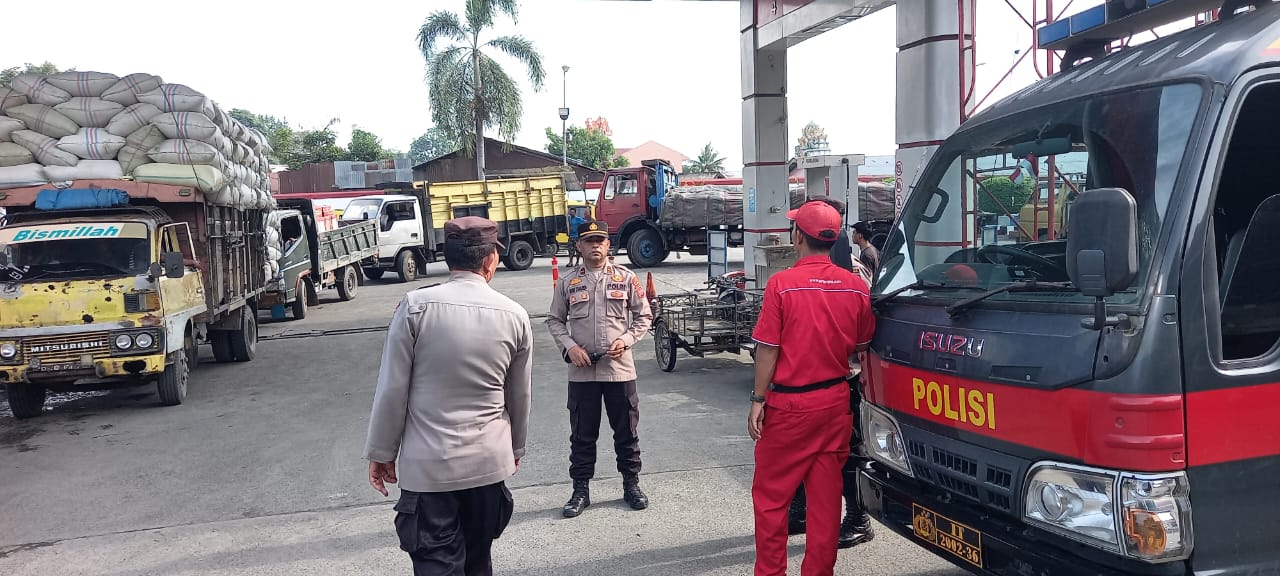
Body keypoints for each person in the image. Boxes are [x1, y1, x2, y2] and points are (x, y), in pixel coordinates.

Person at [364, 215, 533, 576]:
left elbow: (393, 388)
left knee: (437, 566)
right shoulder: (515, 315)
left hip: (428, 470)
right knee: (478, 561)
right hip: (488, 466)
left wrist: (381, 453)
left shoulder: (415, 307)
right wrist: (515, 448)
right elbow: (519, 394)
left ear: (447, 257)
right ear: (490, 260)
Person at [748, 201, 876, 576]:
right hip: (835, 403)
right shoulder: (855, 287)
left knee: (772, 500)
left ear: (797, 236)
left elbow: (768, 348)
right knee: (824, 502)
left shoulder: (782, 285)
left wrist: (758, 399)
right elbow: (864, 344)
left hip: (790, 406)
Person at [783, 197, 876, 550]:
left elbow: (864, 332)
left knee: (849, 453)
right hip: (803, 381)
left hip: (842, 379)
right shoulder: (803, 271)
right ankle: (802, 510)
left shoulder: (851, 271)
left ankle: (858, 518)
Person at [546, 219, 653, 518]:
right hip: (582, 373)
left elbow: (643, 316)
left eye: (600, 240)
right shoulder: (568, 282)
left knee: (627, 433)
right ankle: (581, 490)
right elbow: (554, 320)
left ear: (608, 245)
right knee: (582, 434)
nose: (595, 245)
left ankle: (631, 484)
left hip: (619, 370)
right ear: (578, 246)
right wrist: (570, 347)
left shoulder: (625, 278)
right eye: (589, 241)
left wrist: (627, 339)